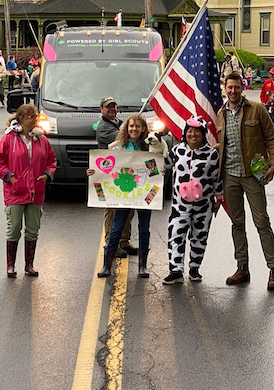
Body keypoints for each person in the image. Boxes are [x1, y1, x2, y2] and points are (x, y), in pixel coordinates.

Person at [216, 73, 274, 290]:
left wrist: (273, 164)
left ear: (242, 88)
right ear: (225, 88)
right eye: (229, 87)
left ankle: (273, 269)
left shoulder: (257, 109)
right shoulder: (221, 114)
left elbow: (271, 138)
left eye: (236, 87)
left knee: (261, 221)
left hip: (253, 175)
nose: (232, 91)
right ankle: (242, 267)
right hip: (230, 176)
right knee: (237, 223)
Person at [0, 103, 57, 278]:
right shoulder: (9, 138)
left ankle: (29, 265)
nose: (34, 119)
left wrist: (47, 174)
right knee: (14, 228)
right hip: (15, 192)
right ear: (20, 119)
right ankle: (10, 265)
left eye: (35, 116)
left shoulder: (41, 139)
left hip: (36, 191)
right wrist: (10, 177)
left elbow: (51, 160)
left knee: (33, 228)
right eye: (30, 116)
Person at [88, 114, 152, 278]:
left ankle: (142, 266)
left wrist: (160, 171)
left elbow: (156, 168)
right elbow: (106, 166)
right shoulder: (116, 147)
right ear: (126, 128)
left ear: (143, 129)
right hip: (123, 194)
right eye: (131, 126)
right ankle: (107, 265)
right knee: (117, 226)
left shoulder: (149, 147)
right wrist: (94, 171)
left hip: (143, 193)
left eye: (138, 126)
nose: (134, 129)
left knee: (144, 229)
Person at [162, 117, 222, 284]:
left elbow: (216, 178)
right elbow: (163, 165)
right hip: (179, 206)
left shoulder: (212, 154)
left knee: (199, 237)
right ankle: (175, 270)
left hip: (203, 206)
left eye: (197, 132)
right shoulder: (177, 150)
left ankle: (194, 268)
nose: (192, 134)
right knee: (176, 235)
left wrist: (219, 197)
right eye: (189, 131)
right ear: (184, 133)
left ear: (203, 134)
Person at [95, 96, 137, 257]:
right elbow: (122, 139)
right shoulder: (103, 127)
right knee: (112, 210)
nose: (112, 109)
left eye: (114, 107)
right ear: (102, 109)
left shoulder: (119, 123)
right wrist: (135, 128)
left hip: (125, 172)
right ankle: (110, 243)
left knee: (129, 208)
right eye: (108, 107)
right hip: (109, 172)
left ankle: (124, 242)